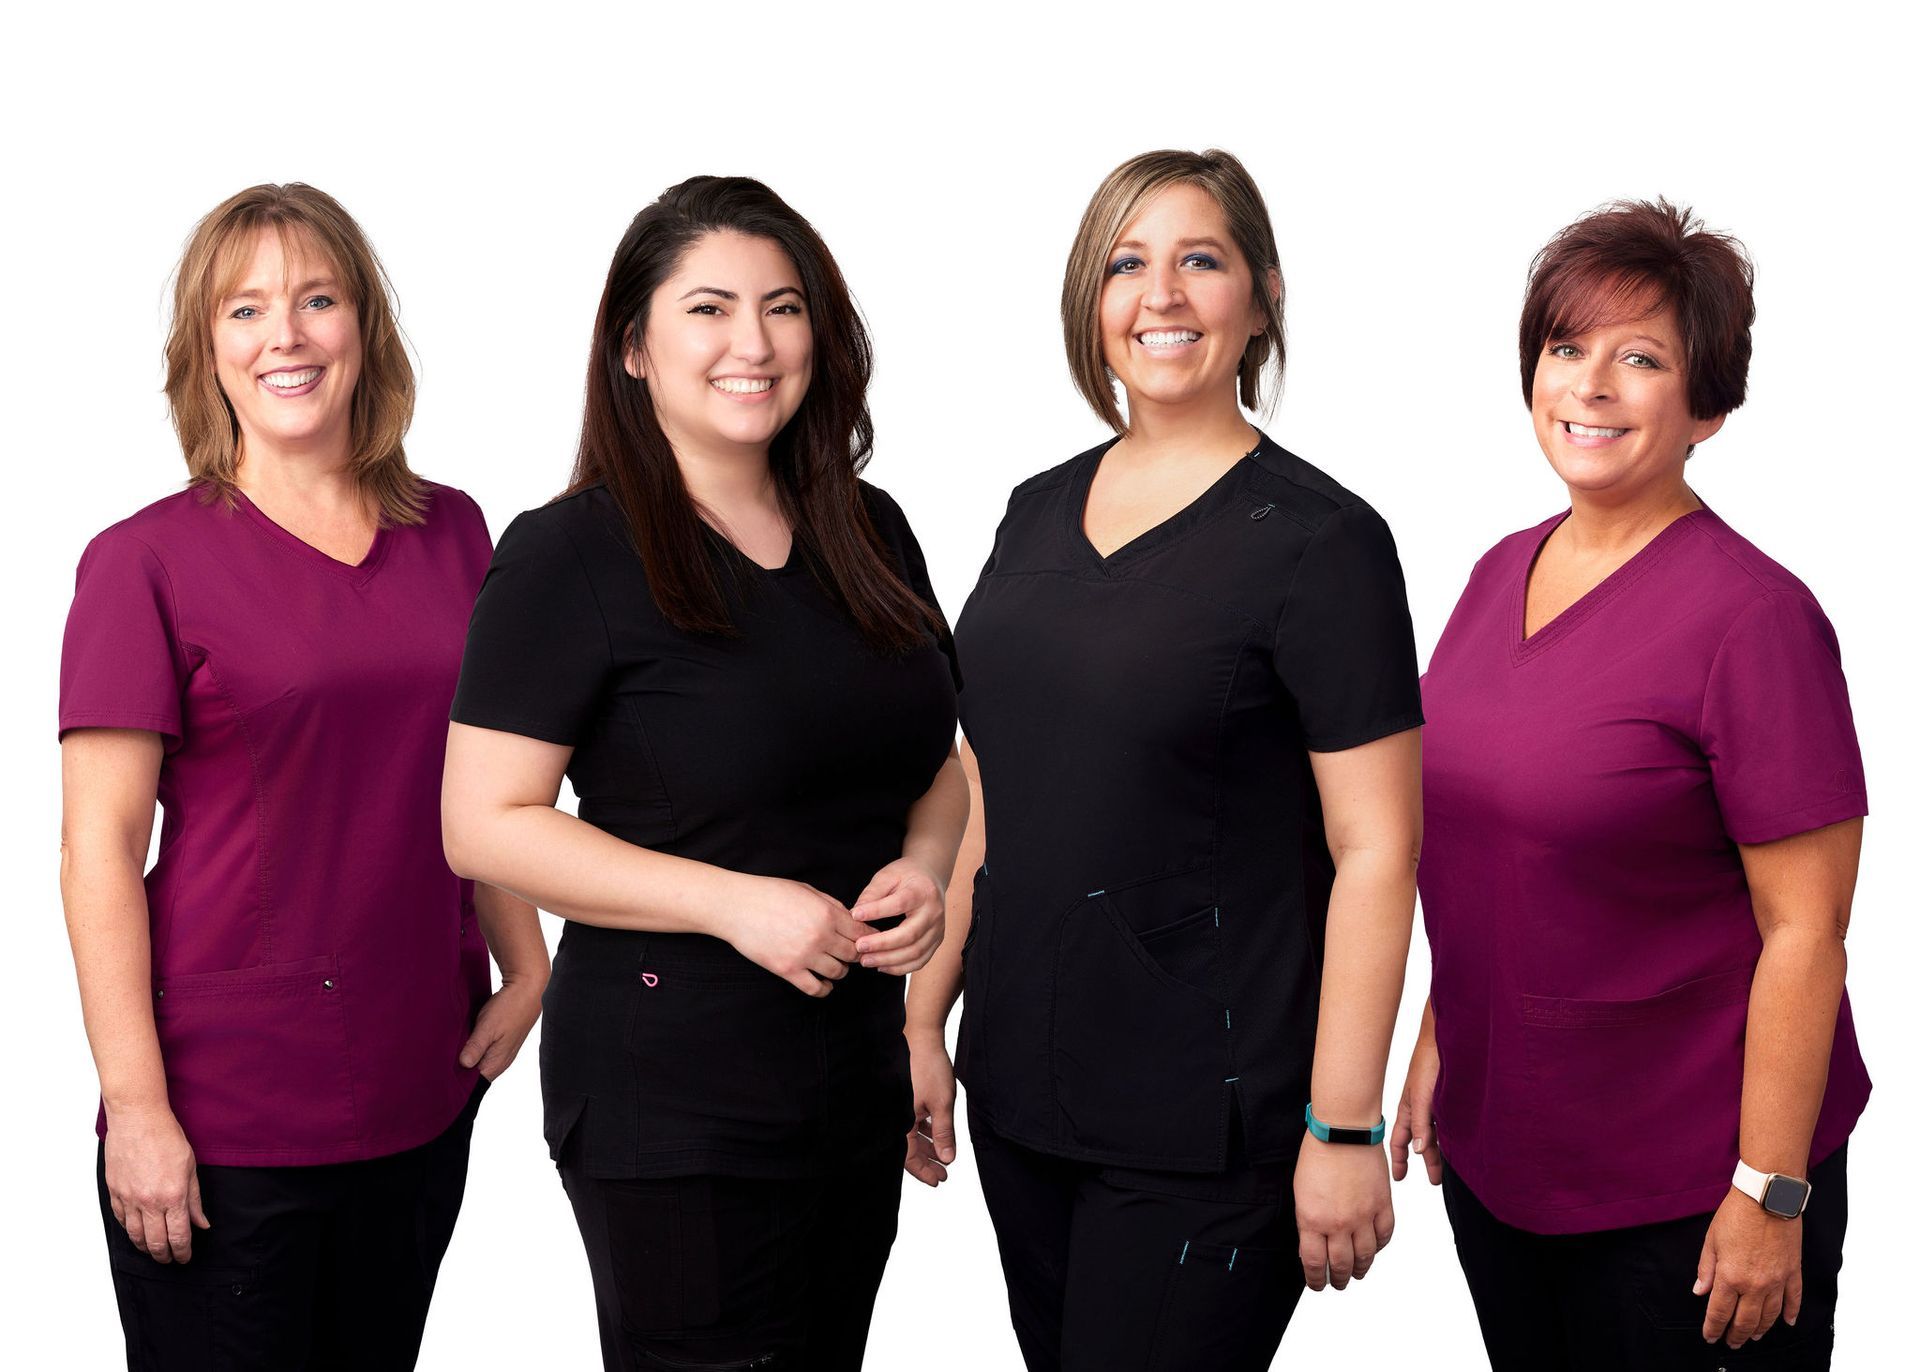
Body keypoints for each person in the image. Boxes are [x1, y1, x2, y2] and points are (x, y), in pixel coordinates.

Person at [903, 149, 1424, 1371]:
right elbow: (991, 779)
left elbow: (1378, 845)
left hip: (1208, 1117)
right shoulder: (1035, 508)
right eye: (1127, 265)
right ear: (1093, 302)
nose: (1163, 295)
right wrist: (924, 1014)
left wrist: (1343, 1124)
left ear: (1263, 294)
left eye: (1202, 259)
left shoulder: (1324, 543)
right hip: (1027, 1095)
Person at [441, 175, 965, 1371]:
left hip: (849, 1069)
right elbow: (484, 824)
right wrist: (732, 903)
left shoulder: (868, 530)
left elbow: (935, 760)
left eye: (784, 309)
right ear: (633, 345)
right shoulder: (569, 552)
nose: (753, 343)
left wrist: (925, 872)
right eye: (709, 309)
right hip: (670, 1094)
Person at [58, 183, 547, 1371]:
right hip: (226, 1116)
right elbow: (97, 854)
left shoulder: (457, 532)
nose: (285, 335)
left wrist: (527, 962)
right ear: (206, 350)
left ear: (362, 328)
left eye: (317, 299)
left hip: (420, 1076)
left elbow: (483, 783)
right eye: (245, 310)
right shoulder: (142, 564)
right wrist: (140, 1108)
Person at [1393, 199, 1869, 1369]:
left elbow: (1806, 934)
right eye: (1568, 348)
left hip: (1690, 1200)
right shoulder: (1499, 567)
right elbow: (1480, 835)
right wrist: (1442, 1027)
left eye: (1641, 358)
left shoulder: (1755, 619)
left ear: (1707, 405)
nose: (1591, 384)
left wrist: (1772, 1193)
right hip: (1507, 1164)